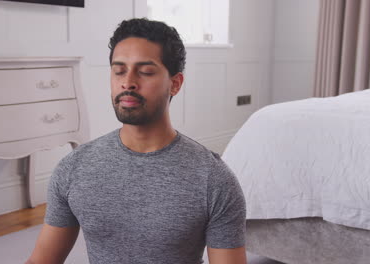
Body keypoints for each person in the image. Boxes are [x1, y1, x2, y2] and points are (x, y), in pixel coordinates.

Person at [26, 18, 246, 264]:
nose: (127, 82)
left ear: (175, 84)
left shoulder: (214, 180)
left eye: (145, 72)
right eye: (119, 70)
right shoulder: (74, 169)